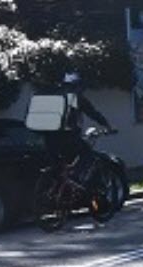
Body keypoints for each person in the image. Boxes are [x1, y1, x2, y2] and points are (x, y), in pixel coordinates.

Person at [46, 72, 115, 203]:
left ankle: (61, 193)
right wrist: (107, 125)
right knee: (87, 153)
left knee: (60, 168)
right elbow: (93, 113)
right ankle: (75, 178)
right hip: (67, 138)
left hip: (49, 139)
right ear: (78, 87)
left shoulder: (56, 96)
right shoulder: (77, 99)